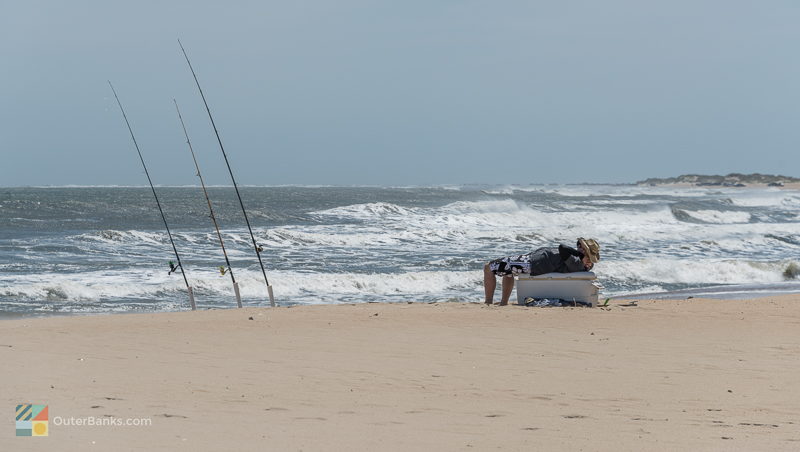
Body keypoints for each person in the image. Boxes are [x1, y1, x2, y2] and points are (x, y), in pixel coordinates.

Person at [483, 238, 600, 305]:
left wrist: (579, 254)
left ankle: (488, 301)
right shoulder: (581, 263)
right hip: (532, 261)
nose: (579, 247)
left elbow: (562, 247)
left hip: (532, 264)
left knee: (488, 267)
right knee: (508, 271)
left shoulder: (576, 262)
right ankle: (503, 302)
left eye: (582, 248)